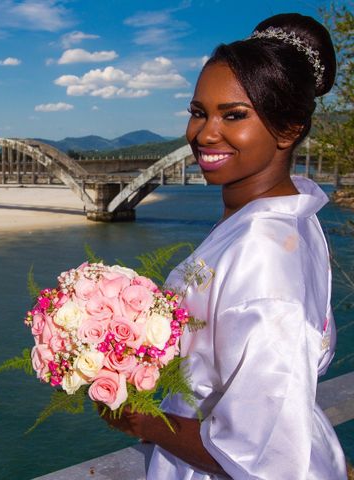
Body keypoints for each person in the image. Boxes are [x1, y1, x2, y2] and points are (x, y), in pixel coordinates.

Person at [101, 13, 348, 479]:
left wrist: (146, 421)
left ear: (290, 129)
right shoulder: (290, 215)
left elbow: (268, 454)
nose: (204, 134)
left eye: (234, 115)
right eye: (199, 112)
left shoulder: (264, 255)